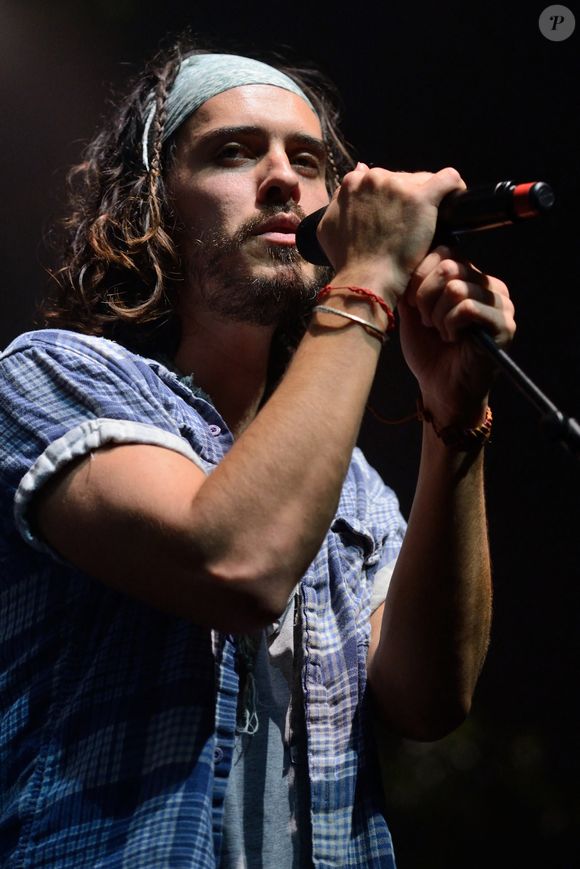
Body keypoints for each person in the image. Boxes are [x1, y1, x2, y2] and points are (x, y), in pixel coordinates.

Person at [0, 34, 515, 869]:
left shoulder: (347, 485)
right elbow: (234, 561)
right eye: (233, 152)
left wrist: (455, 419)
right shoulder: (50, 378)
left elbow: (428, 696)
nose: (283, 179)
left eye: (308, 161)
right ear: (154, 204)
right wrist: (369, 278)